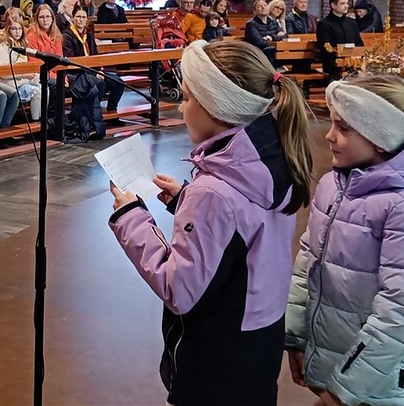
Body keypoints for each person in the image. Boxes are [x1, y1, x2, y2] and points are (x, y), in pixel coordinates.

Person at [108, 39, 314, 405]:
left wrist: (130, 216)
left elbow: (178, 288)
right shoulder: (272, 156)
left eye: (187, 98)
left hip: (216, 358)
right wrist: (185, 200)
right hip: (258, 340)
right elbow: (244, 230)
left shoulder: (214, 192)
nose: (180, 106)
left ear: (216, 107)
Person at [285, 75, 404, 406]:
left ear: (380, 137)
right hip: (330, 361)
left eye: (343, 128)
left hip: (373, 386)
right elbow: (308, 259)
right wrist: (294, 336)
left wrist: (342, 392)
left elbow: (402, 312)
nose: (329, 136)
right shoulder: (334, 185)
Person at [63, 7, 124, 113]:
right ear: (73, 18)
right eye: (78, 17)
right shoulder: (67, 36)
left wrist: (99, 70)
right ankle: (91, 113)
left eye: (83, 17)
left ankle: (112, 111)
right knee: (100, 84)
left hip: (92, 71)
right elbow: (72, 60)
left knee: (118, 82)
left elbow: (96, 55)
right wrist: (94, 73)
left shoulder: (89, 35)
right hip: (77, 73)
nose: (81, 20)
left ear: (87, 19)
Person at [0, 20, 42, 121]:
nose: (17, 32)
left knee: (45, 88)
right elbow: (4, 73)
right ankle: (35, 121)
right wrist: (23, 75)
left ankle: (40, 120)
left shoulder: (22, 44)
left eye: (20, 29)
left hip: (21, 80)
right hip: (8, 83)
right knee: (37, 92)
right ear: (8, 30)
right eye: (14, 29)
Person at [317, 0, 363, 78]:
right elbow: (324, 47)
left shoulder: (351, 22)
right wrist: (340, 58)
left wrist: (357, 56)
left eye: (347, 3)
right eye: (342, 3)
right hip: (333, 66)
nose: (346, 6)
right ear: (333, 5)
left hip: (352, 64)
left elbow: (359, 43)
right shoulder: (324, 24)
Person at [244, 0, 280, 66]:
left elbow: (285, 36)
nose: (263, 7)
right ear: (255, 11)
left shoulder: (274, 22)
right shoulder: (251, 24)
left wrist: (271, 37)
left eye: (265, 5)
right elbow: (260, 42)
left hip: (276, 50)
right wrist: (276, 38)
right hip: (259, 53)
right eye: (259, 6)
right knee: (271, 50)